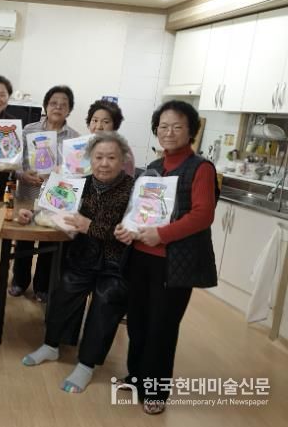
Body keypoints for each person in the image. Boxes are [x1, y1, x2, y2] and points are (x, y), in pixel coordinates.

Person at [114, 100, 218, 415]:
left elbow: (203, 215)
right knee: (138, 321)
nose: (169, 132)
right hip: (140, 257)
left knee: (162, 325)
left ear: (191, 131)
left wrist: (162, 234)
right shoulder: (154, 168)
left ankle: (156, 391)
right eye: (163, 126)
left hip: (172, 263)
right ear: (156, 130)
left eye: (177, 127)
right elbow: (139, 212)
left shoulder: (200, 168)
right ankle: (136, 377)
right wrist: (127, 229)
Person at [20, 131, 133, 395]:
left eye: (111, 158)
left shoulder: (134, 189)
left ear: (123, 160)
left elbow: (130, 230)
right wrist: (32, 214)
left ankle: (86, 364)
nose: (104, 163)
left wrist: (90, 226)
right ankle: (51, 346)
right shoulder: (78, 182)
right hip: (82, 255)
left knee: (105, 306)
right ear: (89, 159)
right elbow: (55, 209)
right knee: (63, 295)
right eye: (98, 157)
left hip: (115, 263)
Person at [9, 85, 80, 302]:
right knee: (24, 240)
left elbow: (76, 173)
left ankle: (42, 286)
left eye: (63, 104)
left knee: (49, 243)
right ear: (46, 106)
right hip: (28, 194)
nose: (58, 107)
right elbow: (13, 161)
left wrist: (60, 177)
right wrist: (22, 175)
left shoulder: (75, 138)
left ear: (69, 110)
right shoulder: (28, 130)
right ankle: (19, 281)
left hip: (55, 200)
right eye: (53, 103)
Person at [85, 99, 135, 175]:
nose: (98, 127)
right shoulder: (83, 144)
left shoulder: (122, 149)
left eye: (106, 122)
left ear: (114, 125)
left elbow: (127, 178)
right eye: (95, 120)